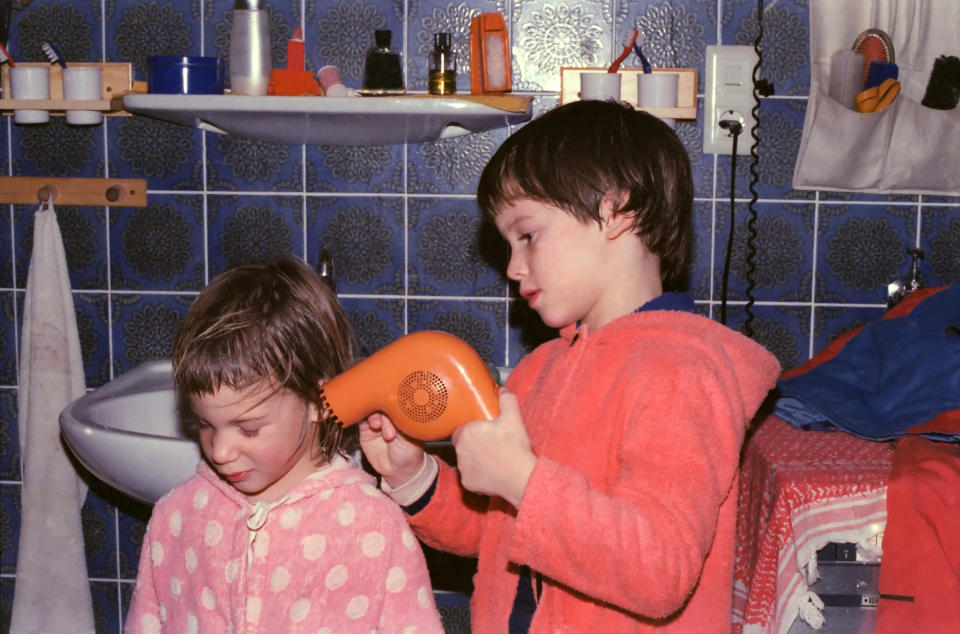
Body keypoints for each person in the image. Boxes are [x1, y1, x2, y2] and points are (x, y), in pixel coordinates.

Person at [360, 100, 782, 632]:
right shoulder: (542, 370)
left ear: (616, 212)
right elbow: (501, 533)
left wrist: (521, 478)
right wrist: (413, 476)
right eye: (508, 244)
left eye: (528, 234)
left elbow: (659, 568)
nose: (513, 268)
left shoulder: (681, 372)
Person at [126, 255, 443, 634]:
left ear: (317, 402)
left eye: (248, 429)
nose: (220, 451)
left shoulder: (371, 525)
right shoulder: (176, 516)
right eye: (205, 425)